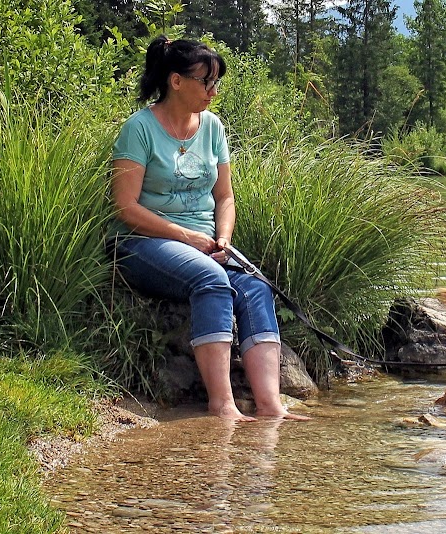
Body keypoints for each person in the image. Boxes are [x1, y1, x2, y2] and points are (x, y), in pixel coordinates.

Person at [108, 36, 309, 422]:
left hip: (206, 243)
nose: (213, 93)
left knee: (255, 286)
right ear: (176, 81)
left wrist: (224, 238)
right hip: (143, 242)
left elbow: (225, 199)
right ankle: (223, 405)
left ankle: (271, 407)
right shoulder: (139, 129)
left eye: (216, 83)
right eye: (206, 82)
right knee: (212, 280)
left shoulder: (213, 127)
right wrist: (186, 237)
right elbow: (125, 206)